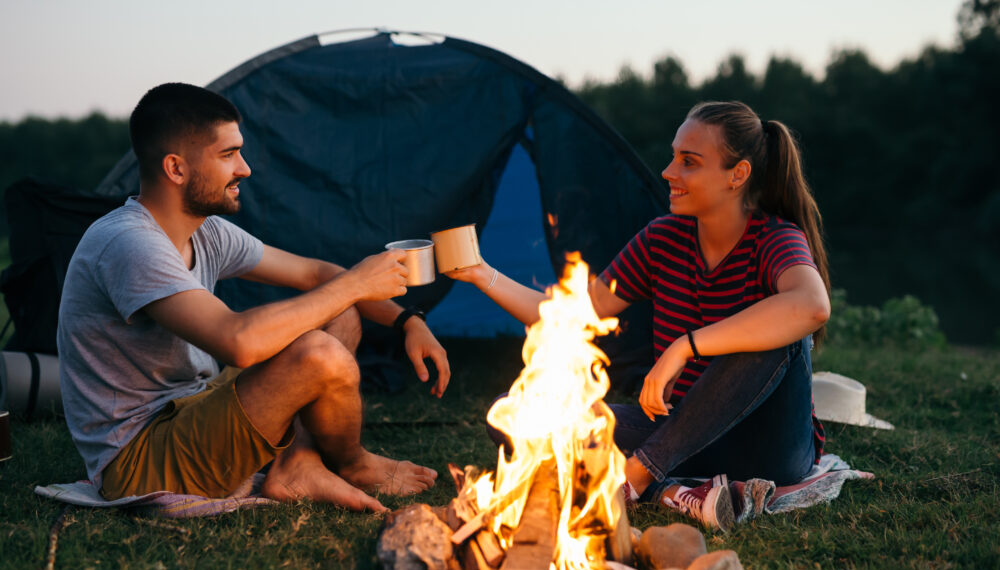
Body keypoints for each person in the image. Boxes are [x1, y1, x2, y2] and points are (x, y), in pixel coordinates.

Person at [57, 82, 451, 513]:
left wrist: (408, 320)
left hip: (193, 403)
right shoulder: (129, 243)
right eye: (228, 155)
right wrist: (356, 283)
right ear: (176, 168)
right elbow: (238, 342)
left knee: (341, 316)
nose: (244, 169)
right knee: (320, 352)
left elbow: (316, 273)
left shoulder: (204, 230)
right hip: (139, 456)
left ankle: (298, 463)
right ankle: (353, 464)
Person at [448, 101, 831, 531]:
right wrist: (481, 275)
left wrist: (686, 347)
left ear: (736, 175)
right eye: (673, 157)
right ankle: (671, 492)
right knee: (513, 413)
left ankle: (636, 478)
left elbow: (811, 306)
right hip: (684, 436)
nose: (669, 171)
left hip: (769, 448)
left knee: (778, 333)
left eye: (689, 162)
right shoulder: (662, 240)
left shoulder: (775, 238)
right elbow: (567, 315)